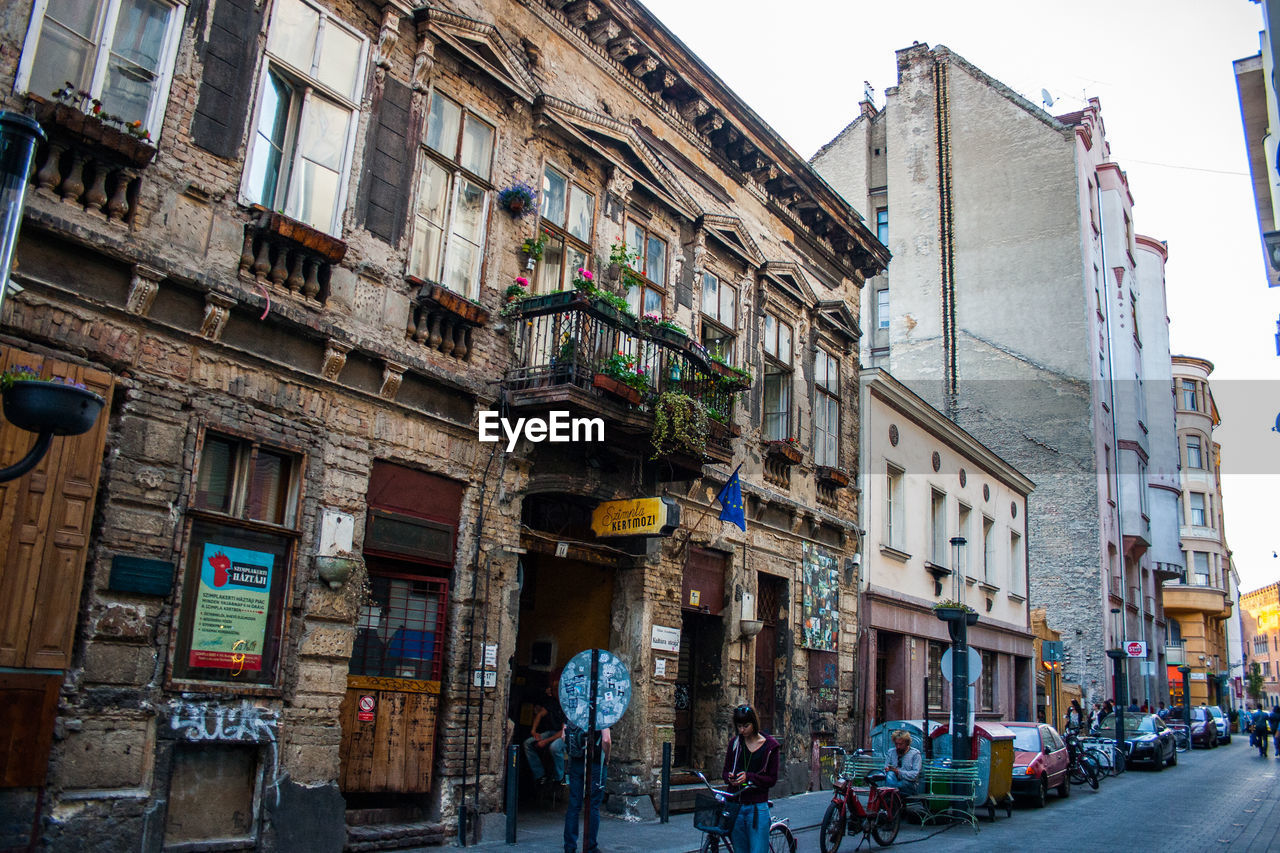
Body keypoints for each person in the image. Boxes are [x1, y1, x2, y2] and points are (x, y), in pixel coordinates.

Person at [722, 704, 780, 853]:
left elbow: (771, 779)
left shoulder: (770, 747)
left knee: (758, 850)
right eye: (739, 726)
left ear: (754, 723)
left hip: (757, 807)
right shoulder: (735, 743)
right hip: (736, 806)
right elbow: (725, 772)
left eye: (746, 726)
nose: (742, 730)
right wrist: (730, 778)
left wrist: (749, 777)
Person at [563, 721, 610, 853]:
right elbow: (606, 739)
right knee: (593, 805)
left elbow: (563, 736)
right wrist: (607, 758)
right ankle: (590, 846)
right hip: (595, 763)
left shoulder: (574, 711)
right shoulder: (601, 710)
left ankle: (570, 846)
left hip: (577, 761)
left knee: (574, 805)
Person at [523, 676, 566, 787]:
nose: (551, 692)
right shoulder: (553, 702)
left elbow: (563, 732)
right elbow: (540, 714)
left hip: (564, 735)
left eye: (554, 690)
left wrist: (545, 741)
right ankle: (540, 775)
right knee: (528, 743)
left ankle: (559, 778)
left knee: (554, 747)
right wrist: (533, 731)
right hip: (552, 732)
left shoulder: (566, 704)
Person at [882, 729, 923, 797]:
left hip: (909, 783)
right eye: (896, 744)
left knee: (900, 785)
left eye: (900, 744)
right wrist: (887, 770)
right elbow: (886, 768)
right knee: (890, 774)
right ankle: (892, 795)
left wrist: (899, 772)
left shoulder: (915, 754)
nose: (898, 747)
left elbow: (915, 775)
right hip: (892, 780)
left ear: (907, 743)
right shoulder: (891, 752)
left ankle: (891, 795)